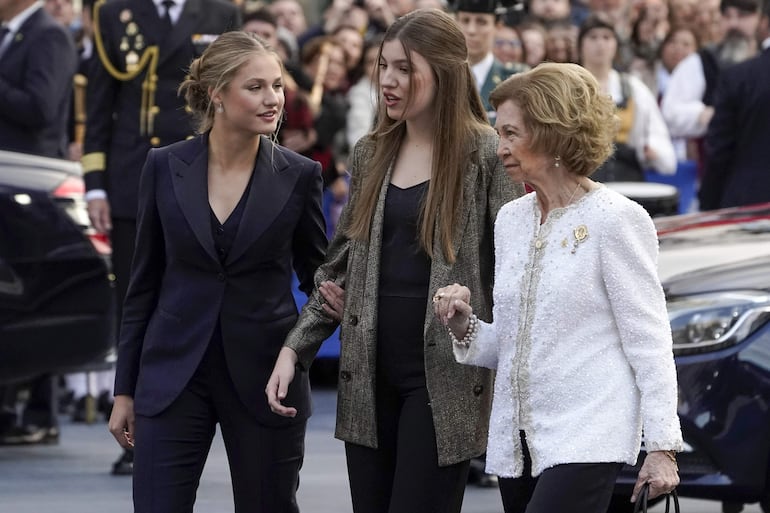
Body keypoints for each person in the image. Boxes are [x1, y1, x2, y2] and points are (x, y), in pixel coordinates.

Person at [266, 8, 522, 513]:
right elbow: (337, 268)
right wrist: (295, 348)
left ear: (445, 70)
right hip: (366, 375)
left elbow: (516, 271)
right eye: (384, 66)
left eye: (405, 68)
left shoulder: (486, 154)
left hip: (445, 378)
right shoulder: (370, 152)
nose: (389, 80)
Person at [432, 62, 683, 513]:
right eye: (498, 133)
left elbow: (649, 341)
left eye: (511, 133)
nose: (500, 147)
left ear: (553, 134)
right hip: (518, 442)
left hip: (590, 435)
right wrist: (464, 325)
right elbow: (512, 342)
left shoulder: (616, 219)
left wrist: (662, 446)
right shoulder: (512, 219)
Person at [106, 31, 328, 513]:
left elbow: (320, 285)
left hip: (267, 378)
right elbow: (142, 285)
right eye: (256, 87)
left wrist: (298, 352)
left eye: (277, 85)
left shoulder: (301, 174)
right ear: (217, 94)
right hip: (173, 375)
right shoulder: (164, 166)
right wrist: (126, 389)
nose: (273, 99)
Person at [81, 0, 240, 475]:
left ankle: (206, 417)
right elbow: (101, 102)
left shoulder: (220, 12)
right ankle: (136, 428)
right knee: (138, 300)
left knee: (201, 297)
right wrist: (95, 183)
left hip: (204, 173)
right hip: (135, 175)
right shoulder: (116, 13)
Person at [0, 0, 78, 446]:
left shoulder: (48, 35)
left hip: (31, 185)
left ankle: (40, 410)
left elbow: (42, 108)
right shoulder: (10, 36)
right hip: (8, 183)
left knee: (38, 296)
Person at [578, 14, 676, 181]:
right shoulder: (568, 87)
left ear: (616, 45)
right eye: (593, 37)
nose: (600, 44)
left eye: (606, 37)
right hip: (581, 175)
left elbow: (655, 135)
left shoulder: (633, 88)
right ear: (580, 45)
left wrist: (653, 151)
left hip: (626, 175)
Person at [700, 0, 770, 210]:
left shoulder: (738, 77)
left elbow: (719, 151)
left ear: (764, 23)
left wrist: (708, 204)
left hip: (749, 205)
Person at [455, 0, 523, 124]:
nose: (471, 30)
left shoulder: (515, 80)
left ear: (498, 26)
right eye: (465, 20)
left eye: (481, 21)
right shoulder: (440, 76)